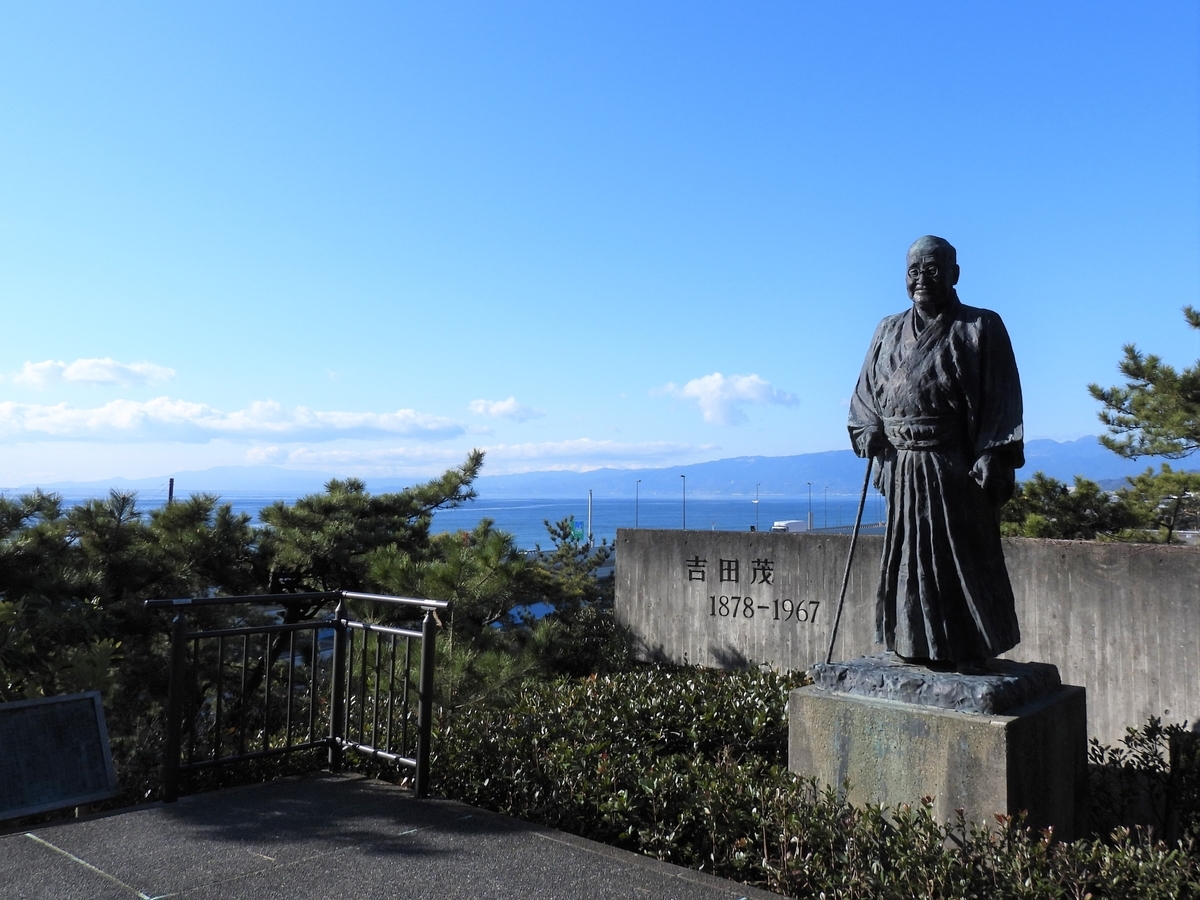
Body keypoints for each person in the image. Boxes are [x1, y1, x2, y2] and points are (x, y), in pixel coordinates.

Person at [847, 235, 1023, 669]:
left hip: (954, 468)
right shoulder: (887, 329)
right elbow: (865, 395)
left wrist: (993, 452)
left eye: (933, 269)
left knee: (958, 558)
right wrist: (869, 429)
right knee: (908, 558)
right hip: (900, 465)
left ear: (954, 274)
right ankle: (911, 643)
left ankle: (965, 647)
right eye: (914, 271)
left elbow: (1002, 397)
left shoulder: (979, 325)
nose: (922, 278)